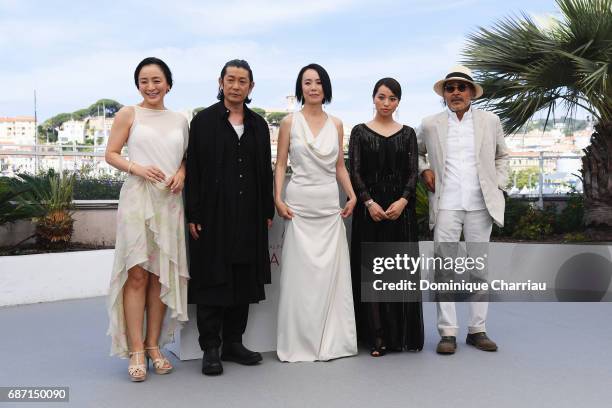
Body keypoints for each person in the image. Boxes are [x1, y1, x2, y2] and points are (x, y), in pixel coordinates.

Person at [185, 59, 274, 376]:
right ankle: (211, 347)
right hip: (212, 213)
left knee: (242, 276)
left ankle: (233, 343)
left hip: (250, 213)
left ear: (251, 87)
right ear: (221, 82)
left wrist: (266, 211)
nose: (236, 86)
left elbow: (265, 170)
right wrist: (193, 212)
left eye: (243, 81)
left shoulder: (258, 124)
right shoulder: (204, 121)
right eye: (231, 79)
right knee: (212, 277)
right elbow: (193, 169)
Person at [105, 57, 189, 381]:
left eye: (157, 80)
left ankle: (155, 346)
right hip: (138, 198)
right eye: (144, 81)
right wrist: (137, 168)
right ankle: (136, 349)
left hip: (169, 201)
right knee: (137, 274)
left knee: (160, 276)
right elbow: (111, 153)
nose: (151, 86)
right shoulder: (129, 113)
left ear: (168, 83)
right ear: (138, 85)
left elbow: (184, 157)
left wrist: (182, 172)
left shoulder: (181, 120)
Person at [417, 65, 509, 354]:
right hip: (446, 205)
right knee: (444, 269)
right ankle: (447, 333)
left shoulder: (490, 121)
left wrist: (499, 185)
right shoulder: (430, 124)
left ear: (471, 92)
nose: (456, 92)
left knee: (479, 270)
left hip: (481, 204)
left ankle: (477, 330)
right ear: (444, 94)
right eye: (450, 88)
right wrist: (424, 170)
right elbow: (416, 152)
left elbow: (502, 155)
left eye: (461, 87)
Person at [275, 63, 358, 362]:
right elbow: (281, 164)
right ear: (300, 88)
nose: (313, 87)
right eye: (307, 82)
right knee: (300, 279)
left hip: (328, 206)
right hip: (298, 207)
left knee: (329, 277)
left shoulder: (337, 124)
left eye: (318, 82)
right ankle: (300, 342)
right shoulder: (288, 122)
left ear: (326, 88)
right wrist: (278, 198)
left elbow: (339, 166)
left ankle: (332, 341)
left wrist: (352, 194)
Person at [348, 78, 424, 356]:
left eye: (392, 99)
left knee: (396, 273)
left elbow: (413, 172)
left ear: (398, 102)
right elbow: (353, 171)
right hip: (370, 212)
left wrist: (403, 200)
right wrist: (368, 202)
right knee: (371, 276)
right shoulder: (359, 132)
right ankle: (376, 337)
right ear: (373, 98)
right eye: (382, 97)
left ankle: (397, 336)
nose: (386, 103)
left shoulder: (408, 133)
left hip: (399, 212)